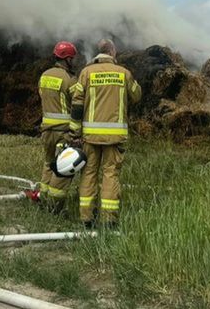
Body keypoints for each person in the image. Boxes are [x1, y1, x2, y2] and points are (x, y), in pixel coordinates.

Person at [70, 39, 142, 228]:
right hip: (114, 136)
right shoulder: (123, 73)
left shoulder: (86, 73)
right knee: (111, 174)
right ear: (112, 52)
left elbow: (76, 104)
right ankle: (109, 220)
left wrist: (75, 131)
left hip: (90, 136)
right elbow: (137, 95)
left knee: (89, 173)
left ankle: (86, 217)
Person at [37, 41, 80, 211]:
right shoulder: (69, 79)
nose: (74, 61)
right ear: (67, 59)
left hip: (46, 129)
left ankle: (43, 196)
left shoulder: (44, 76)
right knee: (63, 169)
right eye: (73, 58)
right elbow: (78, 103)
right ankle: (54, 207)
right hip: (63, 131)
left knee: (48, 163)